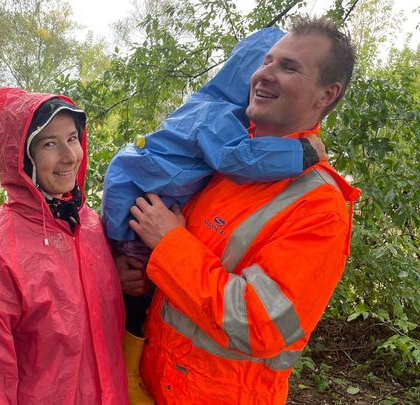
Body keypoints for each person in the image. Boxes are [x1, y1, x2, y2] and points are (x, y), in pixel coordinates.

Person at [127, 16, 360, 404]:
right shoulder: (222, 163)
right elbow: (180, 278)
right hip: (153, 384)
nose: (264, 74)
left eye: (288, 67)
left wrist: (168, 243)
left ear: (326, 94)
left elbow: (259, 323)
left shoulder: (318, 206)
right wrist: (137, 271)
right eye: (267, 60)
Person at [0, 88, 127, 404]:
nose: (70, 156)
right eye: (49, 144)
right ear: (21, 156)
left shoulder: (90, 225)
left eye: (72, 138)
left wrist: (124, 282)